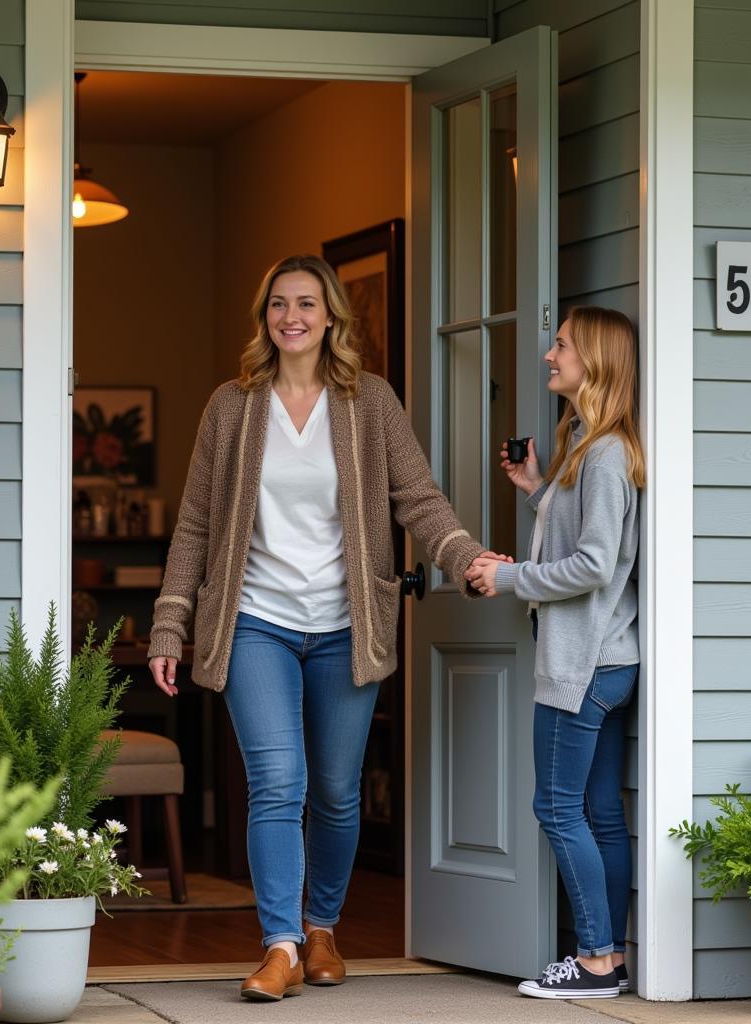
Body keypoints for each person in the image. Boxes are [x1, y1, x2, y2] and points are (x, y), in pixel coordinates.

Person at [148, 254, 508, 1002]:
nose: (292, 317)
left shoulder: (369, 402)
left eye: (306, 304)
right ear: (265, 319)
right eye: (278, 305)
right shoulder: (232, 406)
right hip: (256, 623)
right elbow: (194, 527)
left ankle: (322, 930)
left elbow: (419, 500)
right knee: (278, 783)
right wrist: (169, 624)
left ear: (332, 317)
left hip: (348, 627)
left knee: (338, 794)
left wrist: (469, 558)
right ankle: (278, 945)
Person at [468, 306, 645, 1001]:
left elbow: (596, 564)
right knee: (600, 811)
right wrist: (538, 490)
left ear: (594, 360)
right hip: (609, 659)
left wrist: (507, 577)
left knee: (556, 807)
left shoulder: (602, 455)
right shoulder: (595, 446)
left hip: (584, 664)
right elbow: (585, 541)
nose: (549, 354)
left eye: (562, 345)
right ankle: (611, 956)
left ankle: (596, 958)